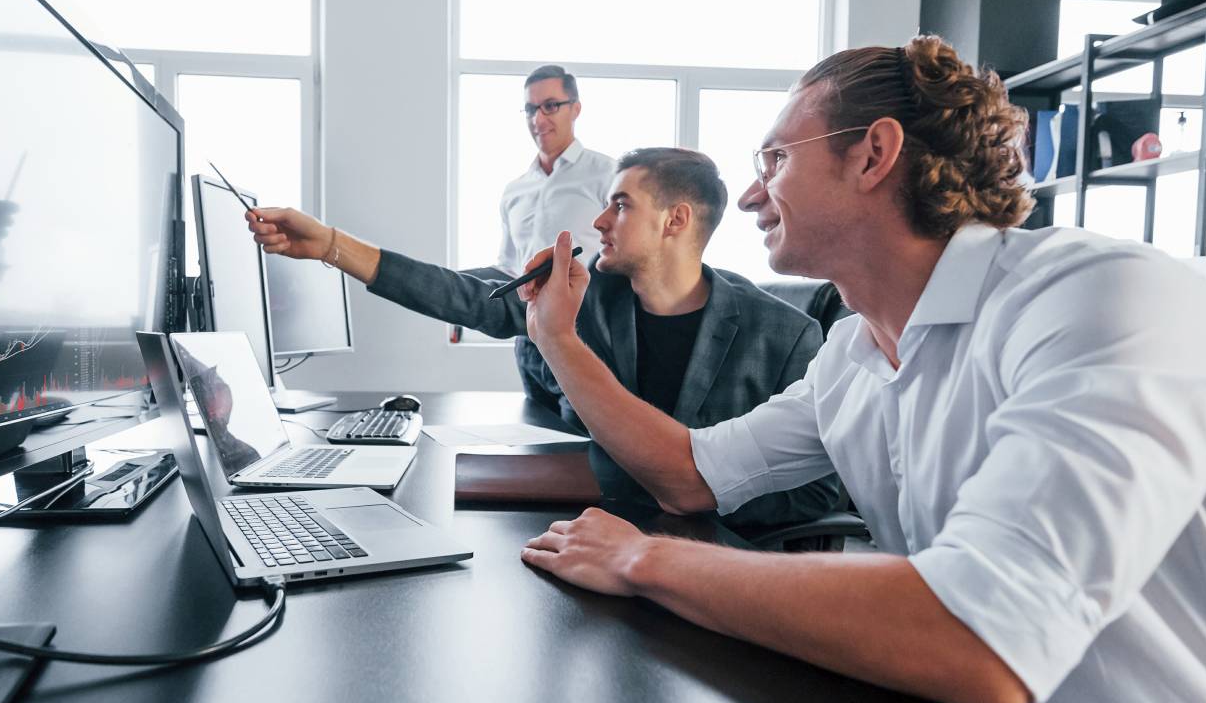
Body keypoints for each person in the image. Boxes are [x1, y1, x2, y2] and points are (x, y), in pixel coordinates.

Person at [514, 37, 1206, 703]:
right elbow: (691, 474)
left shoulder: (1101, 301)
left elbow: (981, 642)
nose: (753, 193)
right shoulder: (851, 354)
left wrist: (647, 562)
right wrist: (559, 343)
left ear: (873, 154)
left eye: (773, 159)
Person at [248, 148, 841, 530]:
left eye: (619, 205)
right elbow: (463, 295)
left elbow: (822, 494)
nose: (601, 221)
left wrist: (701, 494)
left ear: (676, 220)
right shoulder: (584, 298)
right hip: (589, 534)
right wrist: (330, 245)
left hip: (716, 563)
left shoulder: (788, 334)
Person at [496, 66, 616, 277]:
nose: (538, 120)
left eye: (550, 106)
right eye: (531, 109)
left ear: (575, 109)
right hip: (525, 309)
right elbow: (507, 268)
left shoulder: (609, 175)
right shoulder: (513, 192)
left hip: (589, 308)